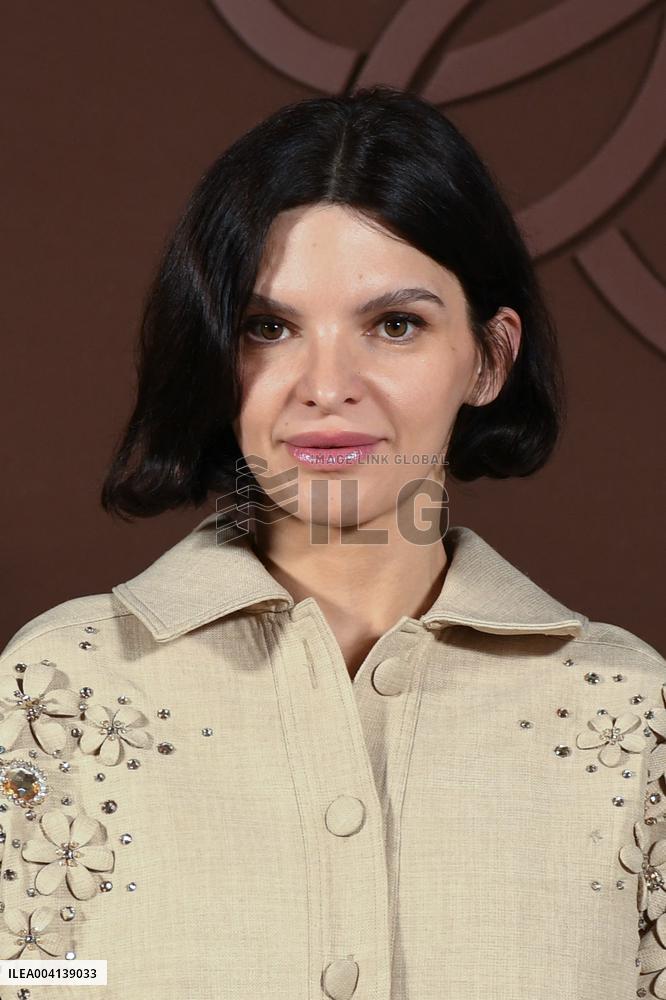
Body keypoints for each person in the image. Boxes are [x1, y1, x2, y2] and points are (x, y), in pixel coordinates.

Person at [0, 84, 664, 1000]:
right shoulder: (56, 693)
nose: (326, 385)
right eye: (269, 328)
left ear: (489, 359)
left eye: (395, 325)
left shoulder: (633, 721)